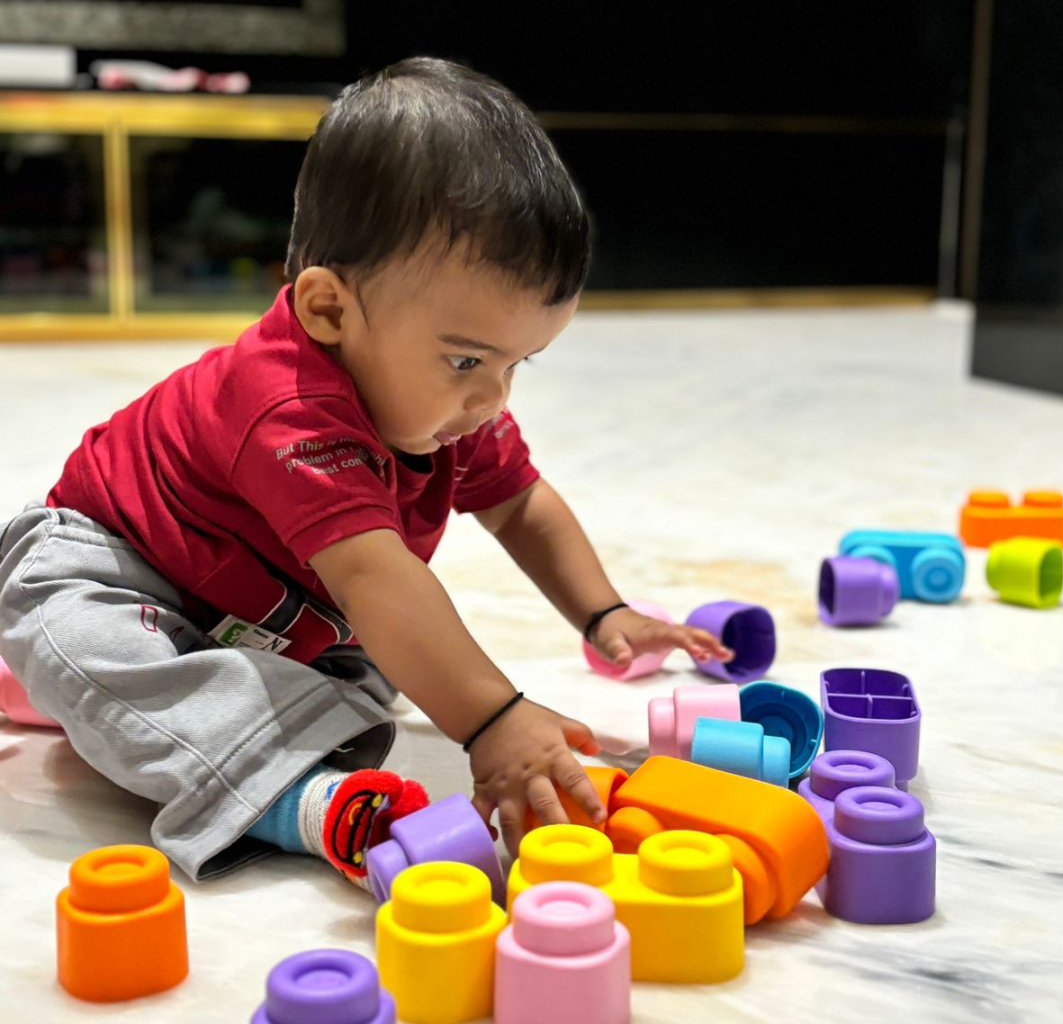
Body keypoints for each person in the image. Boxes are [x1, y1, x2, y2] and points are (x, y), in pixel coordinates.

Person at [0, 57, 732, 889]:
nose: (492, 395)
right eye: (465, 358)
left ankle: (135, 704)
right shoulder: (287, 406)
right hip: (118, 566)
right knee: (76, 635)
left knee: (381, 667)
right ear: (327, 310)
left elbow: (522, 505)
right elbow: (375, 574)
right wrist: (491, 719)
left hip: (277, 612)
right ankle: (291, 799)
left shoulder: (456, 404)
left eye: (520, 363)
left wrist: (604, 612)